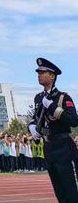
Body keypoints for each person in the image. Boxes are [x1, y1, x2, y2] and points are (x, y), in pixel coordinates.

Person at [28, 57, 78, 202]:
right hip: (48, 148)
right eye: (39, 72)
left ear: (52, 76)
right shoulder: (38, 98)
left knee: (70, 191)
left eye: (43, 72)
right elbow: (35, 119)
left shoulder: (63, 97)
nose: (39, 75)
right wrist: (31, 126)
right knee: (59, 191)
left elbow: (74, 121)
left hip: (63, 147)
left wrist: (52, 107)